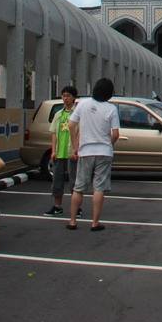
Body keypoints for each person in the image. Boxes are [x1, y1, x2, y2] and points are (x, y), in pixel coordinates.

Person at [67, 78, 120, 231]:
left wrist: (75, 146)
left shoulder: (83, 103)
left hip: (85, 151)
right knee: (99, 188)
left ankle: (72, 221)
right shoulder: (111, 108)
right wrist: (109, 144)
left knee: (79, 187)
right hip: (104, 152)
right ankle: (95, 222)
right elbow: (116, 134)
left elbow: (71, 124)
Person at [44, 85, 80, 217]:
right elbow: (54, 133)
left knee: (74, 181)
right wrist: (53, 151)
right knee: (57, 181)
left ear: (74, 98)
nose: (65, 98)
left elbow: (80, 133)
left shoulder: (77, 114)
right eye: (63, 95)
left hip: (72, 153)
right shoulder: (58, 114)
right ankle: (57, 206)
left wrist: (76, 150)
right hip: (60, 152)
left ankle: (77, 208)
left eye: (68, 96)